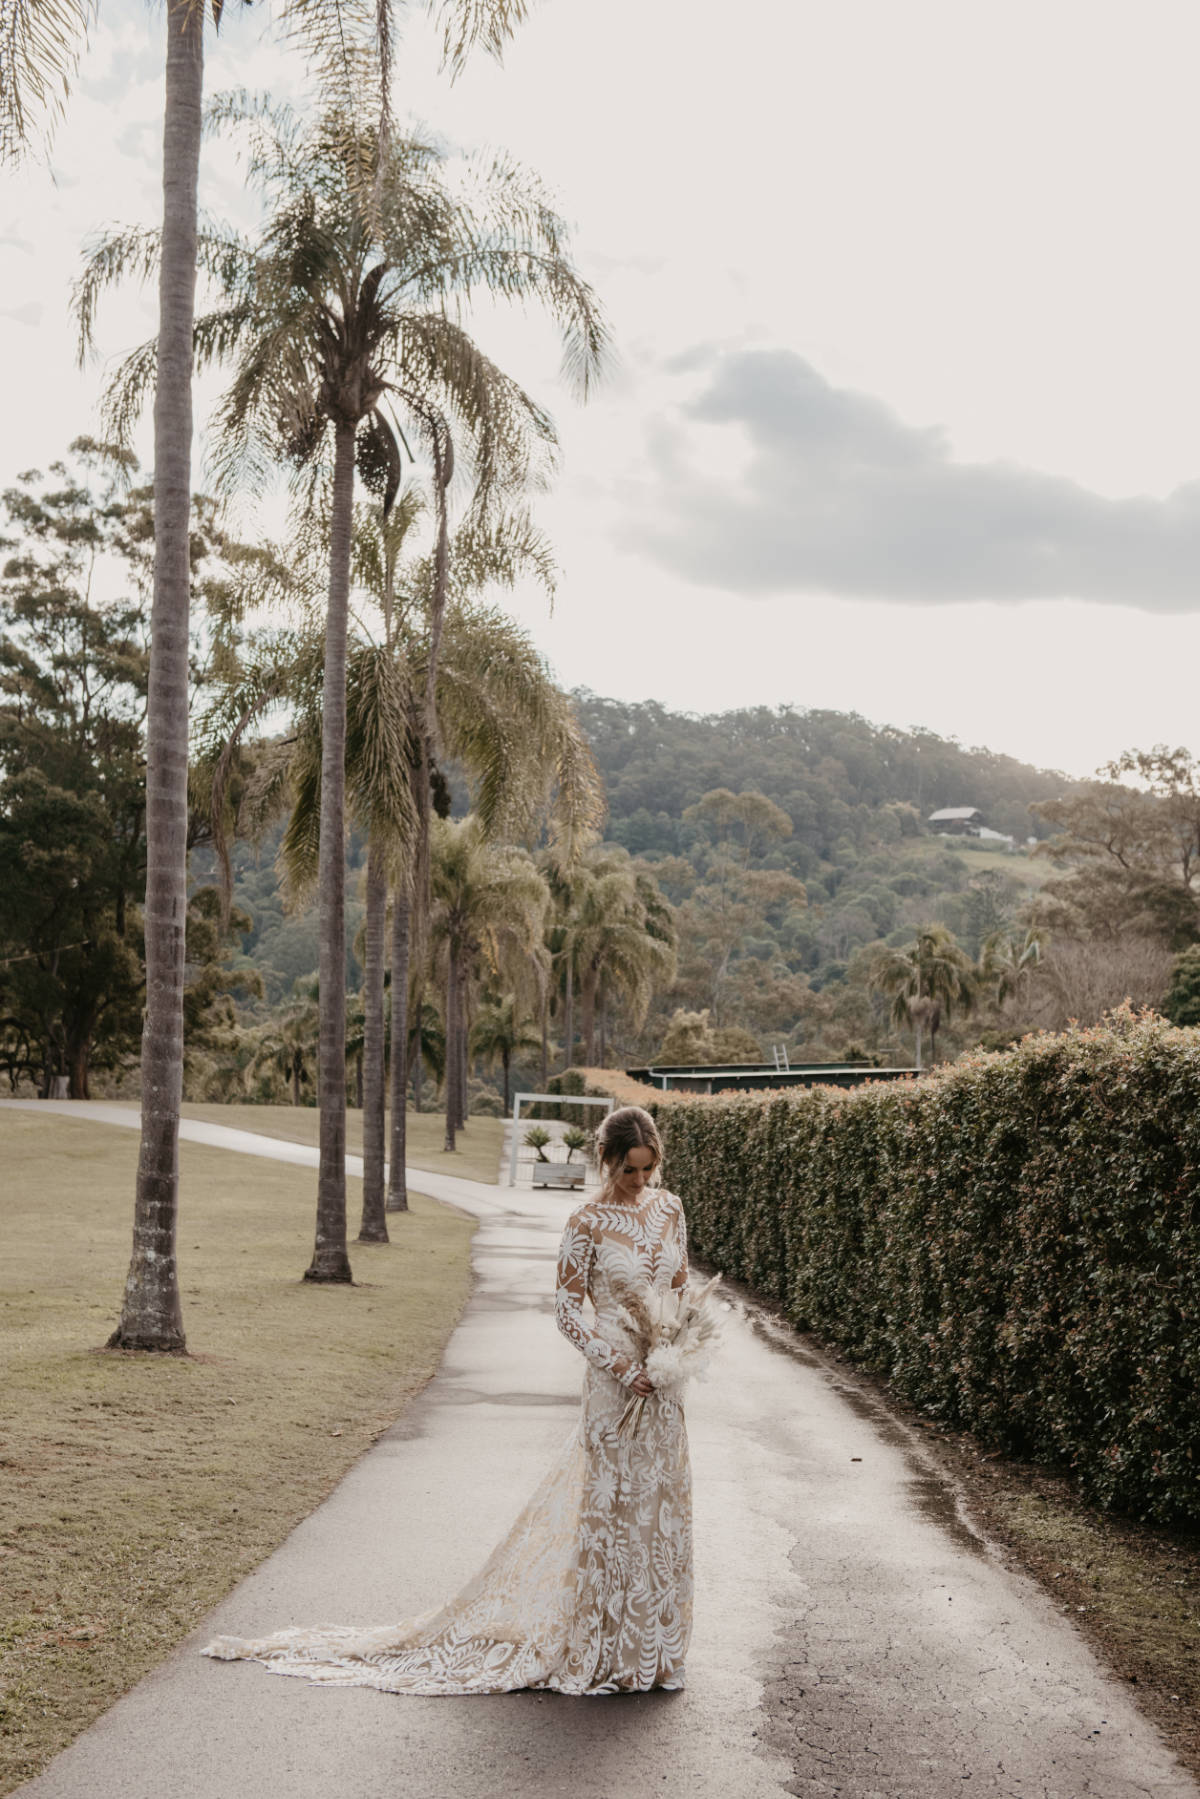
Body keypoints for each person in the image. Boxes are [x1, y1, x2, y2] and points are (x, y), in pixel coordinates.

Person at [201, 1104, 693, 1695]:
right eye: (629, 1171)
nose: (639, 1182)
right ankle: (603, 1650)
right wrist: (619, 1363)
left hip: (662, 1388)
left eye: (646, 1169)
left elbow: (680, 1288)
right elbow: (566, 1310)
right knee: (613, 1513)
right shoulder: (585, 1220)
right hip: (614, 1388)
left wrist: (671, 1352)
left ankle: (652, 1652)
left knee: (660, 1512)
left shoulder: (671, 1209)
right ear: (608, 1161)